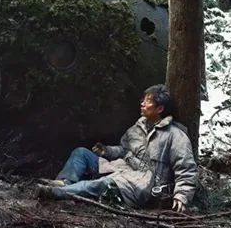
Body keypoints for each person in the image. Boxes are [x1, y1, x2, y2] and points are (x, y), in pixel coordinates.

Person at [37, 85, 198, 213]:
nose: (142, 103)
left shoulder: (175, 135)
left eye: (148, 101)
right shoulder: (137, 127)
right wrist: (106, 151)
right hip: (121, 168)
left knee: (101, 184)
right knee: (81, 153)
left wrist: (181, 195)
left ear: (160, 109)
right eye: (143, 99)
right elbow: (123, 149)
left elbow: (186, 168)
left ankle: (57, 193)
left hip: (142, 183)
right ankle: (65, 182)